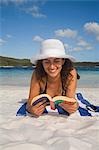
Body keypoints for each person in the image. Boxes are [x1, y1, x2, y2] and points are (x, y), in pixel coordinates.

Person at [27, 39, 79, 117]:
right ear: (42, 63)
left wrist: (74, 107)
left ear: (63, 61)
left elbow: (71, 99)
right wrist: (31, 109)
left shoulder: (70, 73)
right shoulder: (37, 73)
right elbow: (30, 101)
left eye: (57, 61)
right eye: (47, 62)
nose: (52, 67)